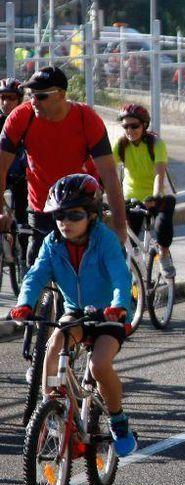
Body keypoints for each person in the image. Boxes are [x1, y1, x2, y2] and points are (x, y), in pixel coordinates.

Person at [10, 174, 137, 456]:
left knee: (99, 366)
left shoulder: (104, 240)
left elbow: (120, 277)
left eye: (74, 215)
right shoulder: (52, 243)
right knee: (53, 346)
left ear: (92, 215)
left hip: (108, 316)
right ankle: (49, 411)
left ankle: (118, 420)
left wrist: (118, 305)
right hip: (75, 313)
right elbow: (35, 275)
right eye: (58, 216)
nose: (64, 222)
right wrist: (24, 303)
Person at [0, 66, 128, 261]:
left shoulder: (86, 118)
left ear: (61, 94)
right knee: (36, 271)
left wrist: (120, 228)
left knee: (87, 270)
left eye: (41, 96)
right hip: (41, 206)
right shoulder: (21, 117)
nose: (33, 101)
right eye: (31, 94)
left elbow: (110, 175)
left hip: (81, 205)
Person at [113, 104, 176, 277]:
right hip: (132, 197)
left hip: (160, 194)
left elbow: (159, 174)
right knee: (127, 241)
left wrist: (155, 195)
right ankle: (136, 276)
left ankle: (163, 254)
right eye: (125, 126)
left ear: (144, 125)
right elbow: (106, 170)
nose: (129, 130)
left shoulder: (156, 144)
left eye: (134, 126)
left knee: (162, 225)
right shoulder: (121, 145)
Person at [0, 77, 28, 250]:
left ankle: (24, 258)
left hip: (21, 176)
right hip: (1, 173)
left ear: (19, 99)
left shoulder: (27, 120)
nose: (5, 102)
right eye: (2, 97)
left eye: (11, 98)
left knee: (24, 224)